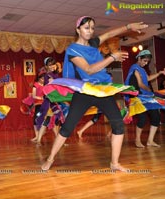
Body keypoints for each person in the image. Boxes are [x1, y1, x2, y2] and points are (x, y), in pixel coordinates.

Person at [41, 16, 148, 172]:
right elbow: (89, 69)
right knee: (67, 127)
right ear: (78, 30)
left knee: (118, 124)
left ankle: (114, 163)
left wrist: (128, 25)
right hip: (85, 90)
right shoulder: (73, 49)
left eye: (92, 28)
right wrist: (112, 57)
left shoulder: (93, 43)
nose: (90, 31)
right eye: (86, 28)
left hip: (103, 90)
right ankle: (50, 159)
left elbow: (109, 34)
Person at [124, 50, 165, 148]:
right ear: (139, 58)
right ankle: (137, 140)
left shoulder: (142, 69)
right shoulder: (134, 68)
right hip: (138, 97)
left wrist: (159, 73)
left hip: (147, 97)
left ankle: (150, 141)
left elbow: (148, 78)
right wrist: (151, 91)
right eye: (144, 61)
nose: (145, 63)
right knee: (142, 118)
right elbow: (141, 84)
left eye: (147, 62)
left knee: (156, 117)